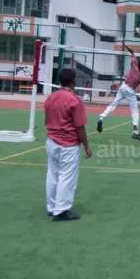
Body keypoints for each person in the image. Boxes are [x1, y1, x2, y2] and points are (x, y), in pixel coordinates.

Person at [44, 69, 91, 222]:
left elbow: (47, 120)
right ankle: (61, 210)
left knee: (52, 175)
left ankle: (52, 207)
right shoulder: (74, 100)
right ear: (72, 81)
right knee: (67, 177)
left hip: (51, 141)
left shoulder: (51, 98)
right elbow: (80, 126)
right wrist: (86, 145)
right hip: (68, 144)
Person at [97, 44, 140, 141]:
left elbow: (132, 54)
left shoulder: (135, 64)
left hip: (123, 86)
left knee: (114, 103)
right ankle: (135, 132)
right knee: (135, 111)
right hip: (130, 91)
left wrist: (131, 50)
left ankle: (101, 117)